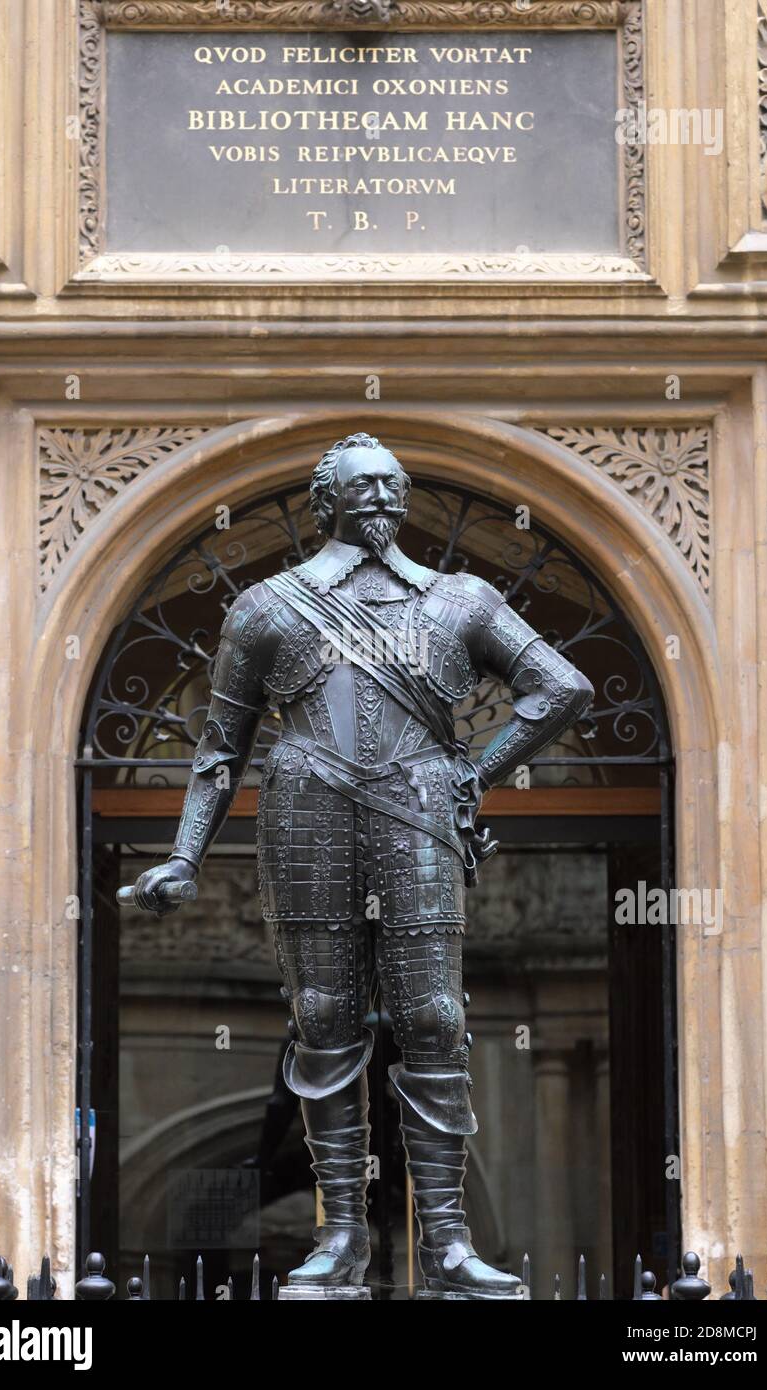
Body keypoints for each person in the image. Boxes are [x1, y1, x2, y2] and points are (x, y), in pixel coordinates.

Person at [126, 431, 594, 1298]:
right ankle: (341, 1234)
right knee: (325, 1008)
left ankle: (447, 1243)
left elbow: (562, 685)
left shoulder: (460, 598)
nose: (379, 499)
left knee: (432, 1012)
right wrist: (184, 857)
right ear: (326, 501)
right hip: (306, 804)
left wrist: (473, 771)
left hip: (416, 805)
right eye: (362, 486)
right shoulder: (269, 606)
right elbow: (219, 748)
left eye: (392, 485)